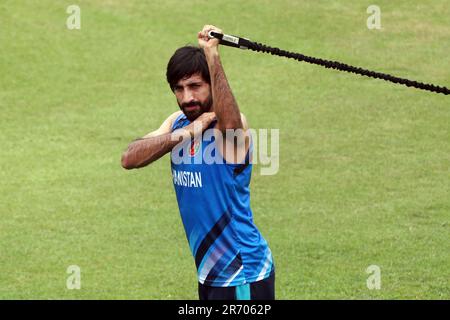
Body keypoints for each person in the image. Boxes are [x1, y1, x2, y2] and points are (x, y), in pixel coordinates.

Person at [121, 25, 274, 300]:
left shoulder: (226, 129)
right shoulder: (177, 123)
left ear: (210, 84)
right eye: (179, 89)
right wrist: (186, 133)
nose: (187, 97)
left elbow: (231, 125)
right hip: (209, 274)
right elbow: (129, 157)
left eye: (195, 86)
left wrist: (212, 54)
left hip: (242, 274)